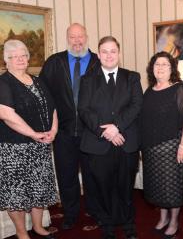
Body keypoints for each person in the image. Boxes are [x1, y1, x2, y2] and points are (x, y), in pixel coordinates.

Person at [78, 36, 143, 239]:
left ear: (119, 53)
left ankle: (128, 224)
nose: (109, 55)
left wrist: (117, 127)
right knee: (103, 187)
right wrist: (105, 131)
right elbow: (84, 109)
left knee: (125, 187)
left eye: (113, 51)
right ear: (98, 55)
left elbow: (136, 105)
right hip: (98, 143)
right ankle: (107, 225)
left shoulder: (132, 77)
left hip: (126, 142)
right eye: (104, 51)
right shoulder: (87, 79)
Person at [39, 23, 100, 229]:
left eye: (80, 36)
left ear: (87, 37)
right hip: (63, 132)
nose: (77, 41)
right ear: (67, 38)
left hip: (92, 132)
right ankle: (71, 214)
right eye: (73, 37)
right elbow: (44, 95)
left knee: (93, 175)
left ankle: (96, 210)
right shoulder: (54, 62)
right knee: (67, 176)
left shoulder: (98, 61)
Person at [0, 39, 57, 239]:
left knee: (39, 189)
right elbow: (6, 114)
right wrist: (34, 134)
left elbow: (53, 107)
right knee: (17, 195)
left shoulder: (37, 80)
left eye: (23, 55)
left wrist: (53, 130)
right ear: (6, 61)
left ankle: (38, 227)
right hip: (14, 149)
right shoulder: (4, 82)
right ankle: (22, 233)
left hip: (40, 146)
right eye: (14, 57)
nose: (20, 59)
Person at [140, 51, 183, 238]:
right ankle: (163, 218)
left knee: (172, 188)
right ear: (152, 69)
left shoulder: (180, 89)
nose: (161, 67)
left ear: (172, 68)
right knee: (158, 187)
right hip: (151, 149)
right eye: (157, 64)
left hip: (172, 148)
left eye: (165, 64)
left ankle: (173, 221)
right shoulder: (149, 91)